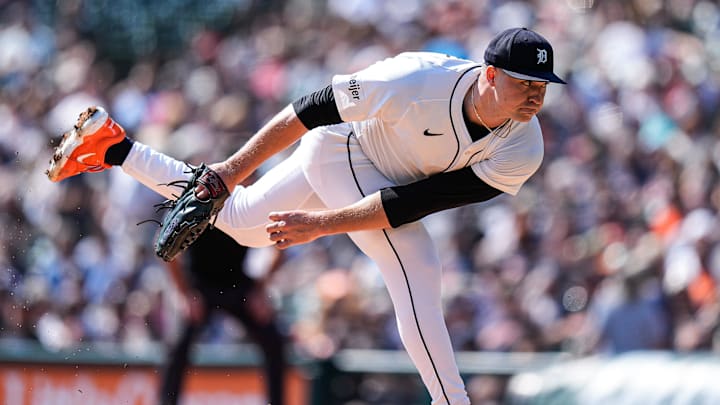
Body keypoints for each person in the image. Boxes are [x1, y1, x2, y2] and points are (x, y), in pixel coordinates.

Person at [47, 27, 566, 404]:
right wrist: (229, 169)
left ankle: (113, 149)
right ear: (491, 74)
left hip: (381, 184)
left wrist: (321, 224)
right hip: (341, 148)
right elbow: (309, 107)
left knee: (241, 223)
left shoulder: (524, 147)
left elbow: (412, 204)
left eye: (543, 84)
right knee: (417, 263)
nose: (536, 94)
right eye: (525, 82)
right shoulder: (416, 79)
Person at [158, 227, 287, 405]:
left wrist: (260, 289)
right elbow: (164, 244)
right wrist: (184, 293)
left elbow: (282, 243)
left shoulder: (247, 202)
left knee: (274, 341)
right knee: (178, 345)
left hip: (237, 282)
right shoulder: (198, 202)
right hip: (199, 285)